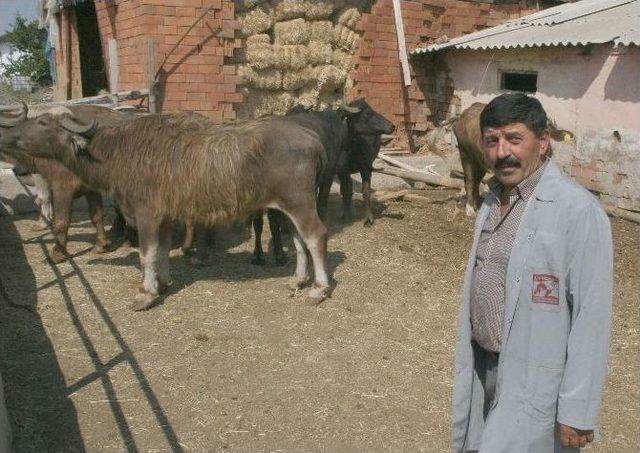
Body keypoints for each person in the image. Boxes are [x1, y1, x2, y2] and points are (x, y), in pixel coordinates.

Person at [450, 93, 613, 452]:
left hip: (538, 380)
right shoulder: (491, 202)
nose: (500, 152)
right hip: (484, 366)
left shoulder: (578, 211)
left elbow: (593, 317)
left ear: (543, 141)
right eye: (492, 141)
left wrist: (578, 410)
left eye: (514, 139)